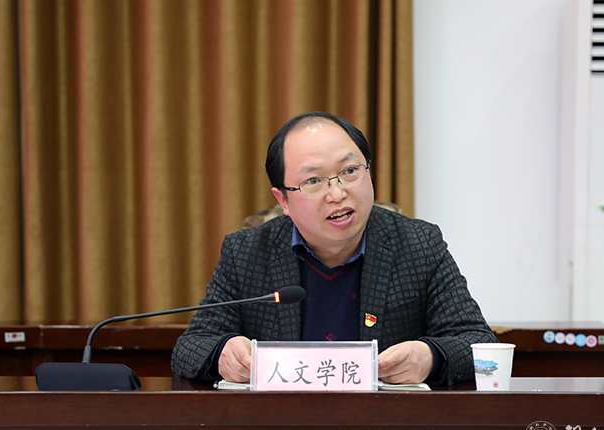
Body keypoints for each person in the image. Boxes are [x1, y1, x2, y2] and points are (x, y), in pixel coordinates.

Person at [171, 111, 497, 386]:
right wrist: (223, 352)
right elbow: (190, 347)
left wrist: (431, 357)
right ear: (283, 200)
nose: (337, 194)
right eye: (313, 181)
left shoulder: (418, 244)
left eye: (350, 171)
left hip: (384, 429)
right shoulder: (246, 253)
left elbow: (479, 343)